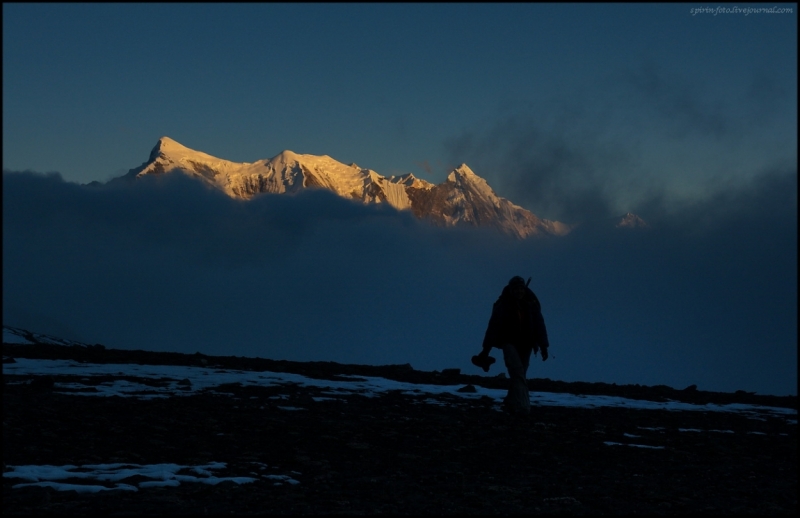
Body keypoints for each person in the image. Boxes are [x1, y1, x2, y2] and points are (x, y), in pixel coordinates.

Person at [472, 276, 550, 415]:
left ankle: (510, 402)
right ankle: (523, 407)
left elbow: (539, 325)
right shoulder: (503, 305)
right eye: (516, 289)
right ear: (511, 290)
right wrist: (486, 350)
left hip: (526, 344)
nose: (519, 291)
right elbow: (493, 327)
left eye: (521, 289)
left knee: (519, 375)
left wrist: (543, 346)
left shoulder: (531, 304)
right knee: (518, 372)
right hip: (508, 343)